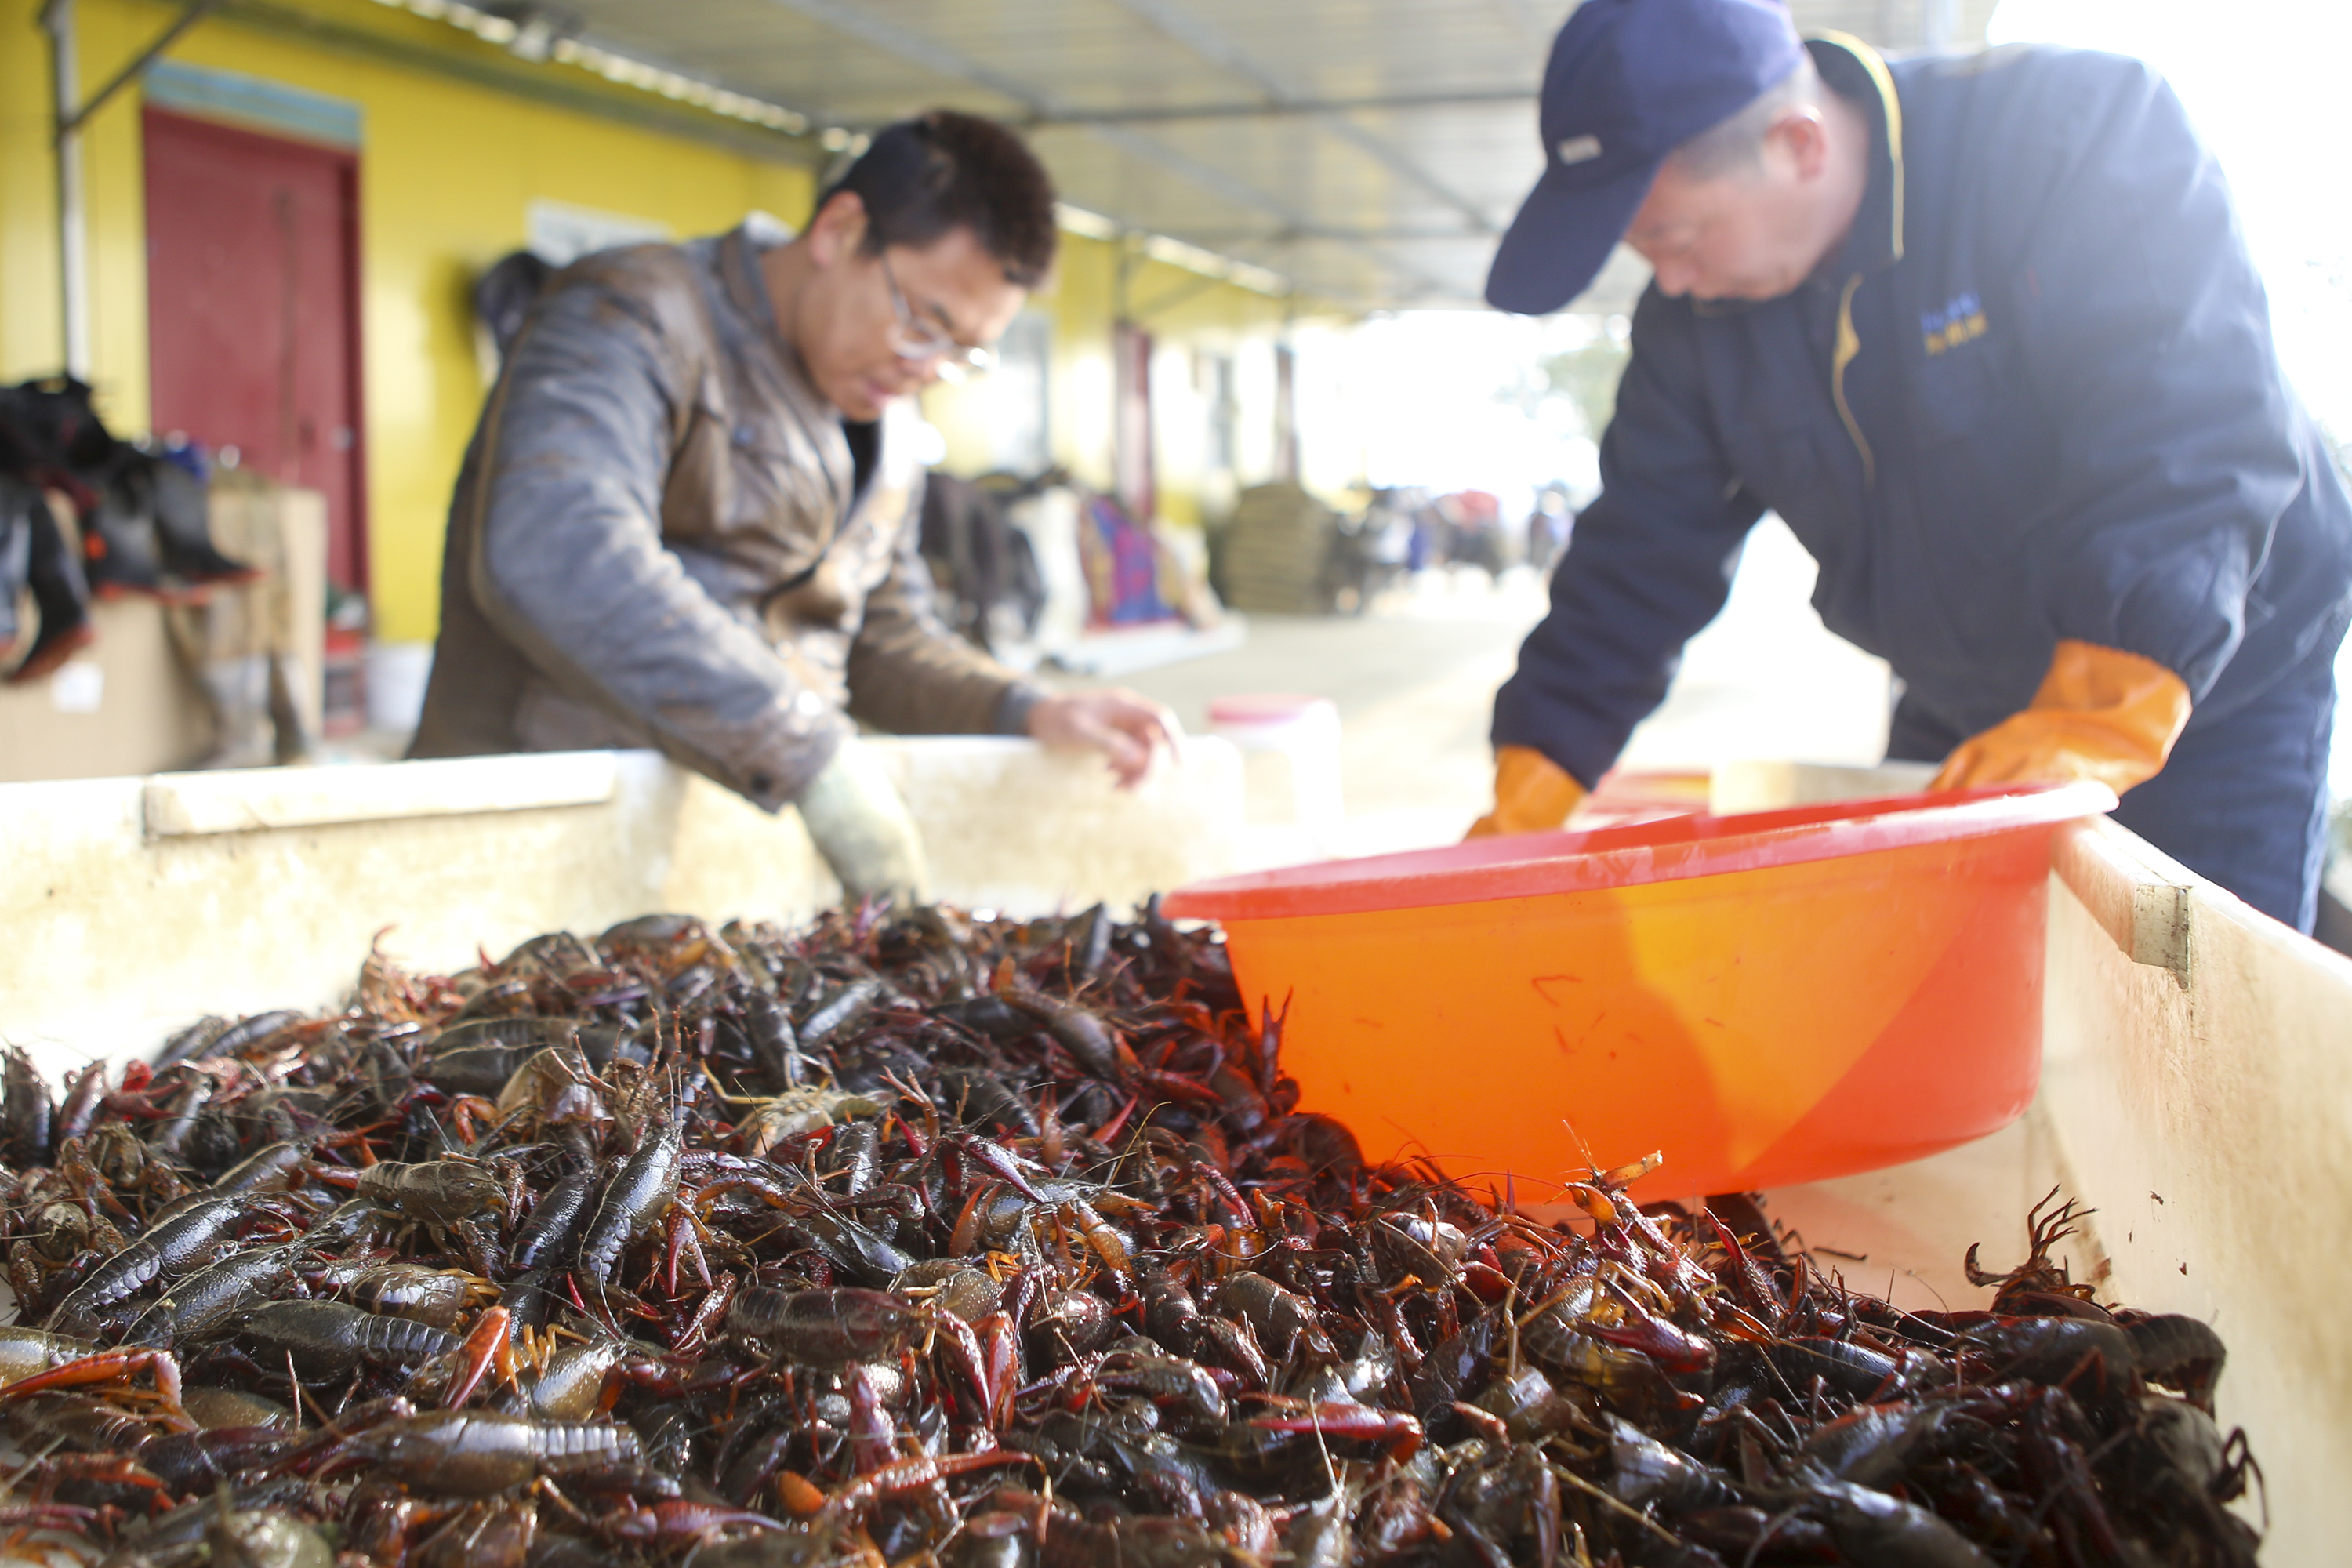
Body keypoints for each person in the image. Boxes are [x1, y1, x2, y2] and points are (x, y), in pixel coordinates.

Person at [1470, 0, 2352, 932]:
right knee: (1920, 992)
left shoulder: (2075, 138)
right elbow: (1639, 556)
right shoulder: (1691, 324)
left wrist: (2096, 718)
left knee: (2196, 1009)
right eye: (1645, 255)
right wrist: (1532, 781)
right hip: (1968, 698)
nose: (1674, 280)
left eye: (1679, 239)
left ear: (1799, 144)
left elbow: (2189, 437)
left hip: (2204, 686)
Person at [410, 112, 1174, 901]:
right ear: (841, 230)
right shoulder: (632, 314)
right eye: (922, 321)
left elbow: (882, 638)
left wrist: (1026, 705)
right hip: (517, 849)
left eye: (963, 353)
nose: (927, 368)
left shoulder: (890, 420)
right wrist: (806, 748)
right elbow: (557, 549)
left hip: (709, 864)